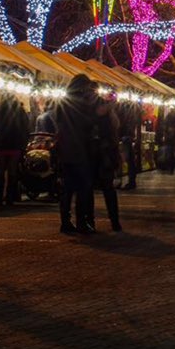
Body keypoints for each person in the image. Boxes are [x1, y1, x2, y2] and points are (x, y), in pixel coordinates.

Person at [54, 74, 97, 234]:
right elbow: (87, 124)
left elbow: (59, 123)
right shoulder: (83, 103)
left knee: (67, 189)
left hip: (66, 150)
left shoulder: (63, 102)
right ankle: (81, 222)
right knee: (82, 188)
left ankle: (65, 221)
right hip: (80, 150)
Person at [0, 95, 30, 206]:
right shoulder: (21, 112)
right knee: (12, 171)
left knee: (0, 171)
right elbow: (26, 128)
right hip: (15, 146)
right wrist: (23, 144)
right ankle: (9, 197)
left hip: (1, 145)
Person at [90, 97, 123, 231]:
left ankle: (114, 221)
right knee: (105, 191)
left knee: (108, 191)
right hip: (99, 160)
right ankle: (93, 221)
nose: (101, 108)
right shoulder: (103, 120)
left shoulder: (108, 121)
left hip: (104, 160)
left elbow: (113, 143)